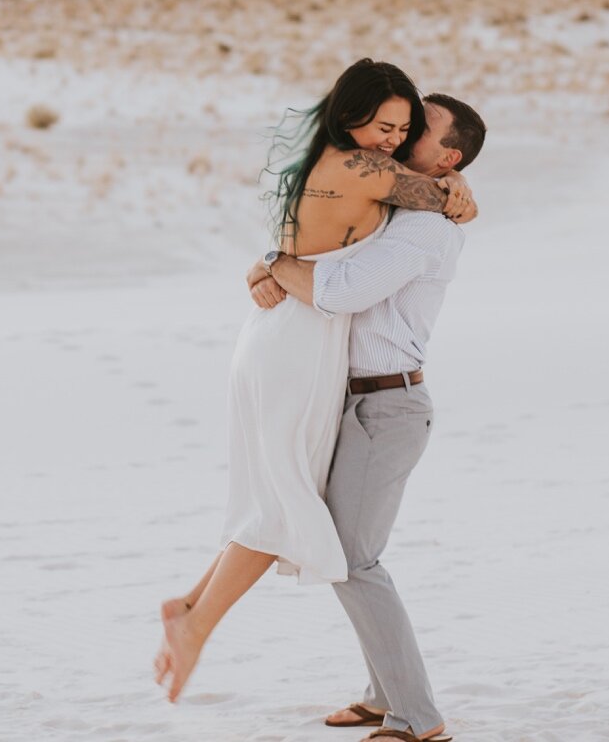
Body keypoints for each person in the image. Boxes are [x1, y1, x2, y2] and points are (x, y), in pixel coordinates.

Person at [154, 60, 476, 705]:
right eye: (386, 125)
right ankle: (195, 623)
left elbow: (329, 242)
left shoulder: (327, 158)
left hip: (280, 335)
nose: (394, 139)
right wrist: (457, 188)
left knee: (276, 495)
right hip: (297, 341)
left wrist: (274, 259)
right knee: (285, 501)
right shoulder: (371, 172)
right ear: (352, 114)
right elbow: (437, 202)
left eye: (406, 128)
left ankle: (192, 606)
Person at [248, 92, 487, 742]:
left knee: (354, 559)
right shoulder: (397, 209)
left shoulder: (428, 229)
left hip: (390, 406)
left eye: (422, 130)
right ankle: (384, 694)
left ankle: (418, 716)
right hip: (354, 400)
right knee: (349, 554)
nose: (405, 135)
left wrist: (275, 265)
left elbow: (341, 291)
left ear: (448, 156)